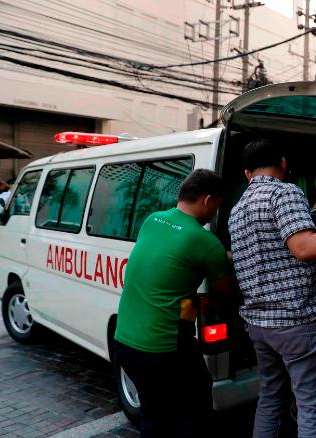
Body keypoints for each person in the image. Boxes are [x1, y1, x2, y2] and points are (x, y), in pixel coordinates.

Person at [229, 138, 316, 438]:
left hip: (259, 324)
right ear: (283, 164)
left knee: (270, 398)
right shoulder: (285, 192)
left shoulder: (237, 210)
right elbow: (304, 247)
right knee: (312, 405)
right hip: (296, 324)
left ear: (247, 174)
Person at [114, 169, 232, 437]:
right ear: (207, 199)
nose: (216, 213)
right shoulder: (205, 241)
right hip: (162, 348)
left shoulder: (152, 219)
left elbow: (162, 267)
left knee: (154, 415)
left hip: (125, 342)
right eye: (217, 205)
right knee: (194, 411)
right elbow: (225, 290)